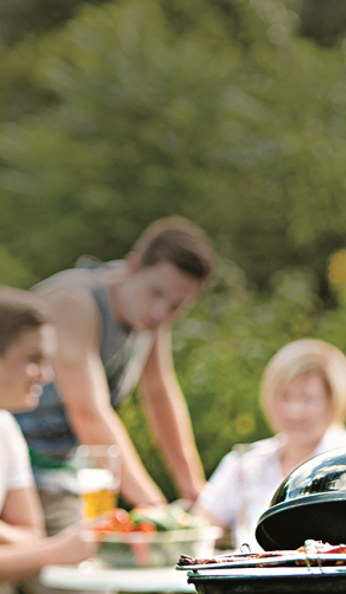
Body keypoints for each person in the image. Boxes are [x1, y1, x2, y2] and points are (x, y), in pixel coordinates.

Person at [13, 216, 215, 536]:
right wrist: (158, 510)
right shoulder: (75, 302)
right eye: (157, 293)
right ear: (132, 266)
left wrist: (197, 493)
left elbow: (160, 396)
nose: (162, 313)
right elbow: (89, 414)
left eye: (177, 305)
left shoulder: (151, 317)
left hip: (60, 475)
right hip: (1, 471)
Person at [0, 288, 95, 593]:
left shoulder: (3, 426)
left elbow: (30, 535)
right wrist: (56, 552)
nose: (46, 375)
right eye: (34, 359)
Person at [192, 339, 346, 551]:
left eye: (308, 399)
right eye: (286, 397)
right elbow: (198, 533)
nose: (294, 411)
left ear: (333, 402)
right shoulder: (243, 462)